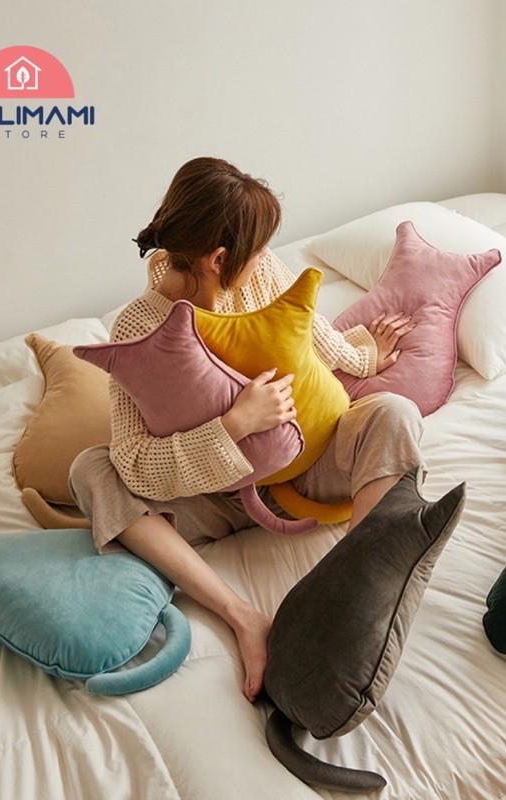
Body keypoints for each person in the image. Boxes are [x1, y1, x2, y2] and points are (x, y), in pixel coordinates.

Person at [68, 156, 427, 704]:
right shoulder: (139, 327)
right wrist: (234, 426)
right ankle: (242, 617)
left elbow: (317, 339)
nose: (265, 257)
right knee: (93, 468)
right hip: (213, 497)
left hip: (305, 469)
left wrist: (365, 357)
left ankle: (354, 591)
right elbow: (135, 462)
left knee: (394, 412)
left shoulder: (261, 273)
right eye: (257, 249)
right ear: (218, 259)